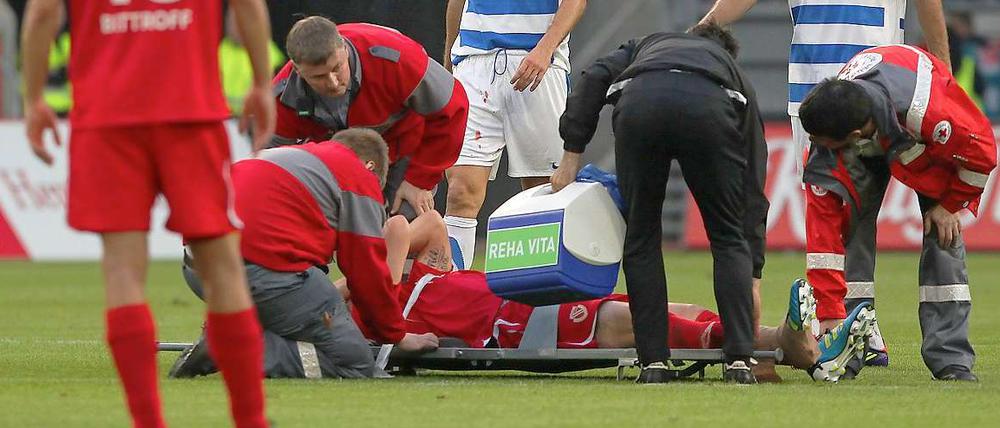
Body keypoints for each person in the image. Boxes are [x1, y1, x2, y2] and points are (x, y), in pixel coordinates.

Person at [21, 0, 275, 427]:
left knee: (122, 270)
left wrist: (33, 99)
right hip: (190, 112)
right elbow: (247, 5)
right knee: (223, 269)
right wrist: (261, 83)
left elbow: (43, 13)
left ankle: (147, 422)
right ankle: (250, 420)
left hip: (107, 120)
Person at [699, 0, 951, 368]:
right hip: (813, 99)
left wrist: (940, 70)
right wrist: (703, 31)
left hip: (879, 91)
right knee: (835, 219)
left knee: (859, 216)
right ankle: (854, 326)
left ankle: (859, 326)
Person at [357, 210, 874, 383]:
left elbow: (415, 223)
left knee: (667, 312)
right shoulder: (379, 318)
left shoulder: (397, 284)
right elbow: (398, 341)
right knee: (631, 323)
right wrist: (377, 301)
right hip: (514, 326)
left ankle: (788, 344)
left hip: (526, 296)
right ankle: (788, 345)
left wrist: (380, 276)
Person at [549, 23, 768, 384]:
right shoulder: (732, 72)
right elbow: (753, 178)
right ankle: (739, 360)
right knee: (729, 238)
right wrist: (753, 271)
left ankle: (653, 363)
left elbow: (592, 77)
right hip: (711, 107)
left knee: (642, 237)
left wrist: (572, 151)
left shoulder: (646, 42)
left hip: (641, 103)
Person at [171, 129, 439, 380]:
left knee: (291, 316)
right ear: (370, 167)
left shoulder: (290, 157)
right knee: (353, 359)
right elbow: (366, 270)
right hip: (262, 270)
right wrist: (395, 334)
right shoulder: (356, 176)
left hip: (196, 265)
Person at [798, 45, 995, 382]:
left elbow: (983, 154)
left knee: (943, 235)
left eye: (825, 145)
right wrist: (829, 312)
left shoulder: (931, 112)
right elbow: (823, 234)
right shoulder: (826, 139)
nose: (819, 150)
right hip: (884, 123)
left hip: (921, 140)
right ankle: (851, 346)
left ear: (854, 137)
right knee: (851, 229)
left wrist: (950, 206)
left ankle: (951, 359)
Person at [271, 16, 468, 220]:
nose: (332, 81)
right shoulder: (281, 96)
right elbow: (271, 167)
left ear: (344, 49)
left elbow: (455, 107)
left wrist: (419, 180)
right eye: (319, 77)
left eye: (337, 67)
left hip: (405, 152)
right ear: (297, 70)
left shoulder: (396, 59)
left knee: (403, 219)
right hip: (333, 168)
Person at [442, 0, 587, 269]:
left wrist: (545, 49)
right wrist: (449, 61)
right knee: (460, 192)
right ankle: (451, 296)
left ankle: (532, 300)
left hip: (540, 65)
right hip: (474, 64)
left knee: (542, 192)